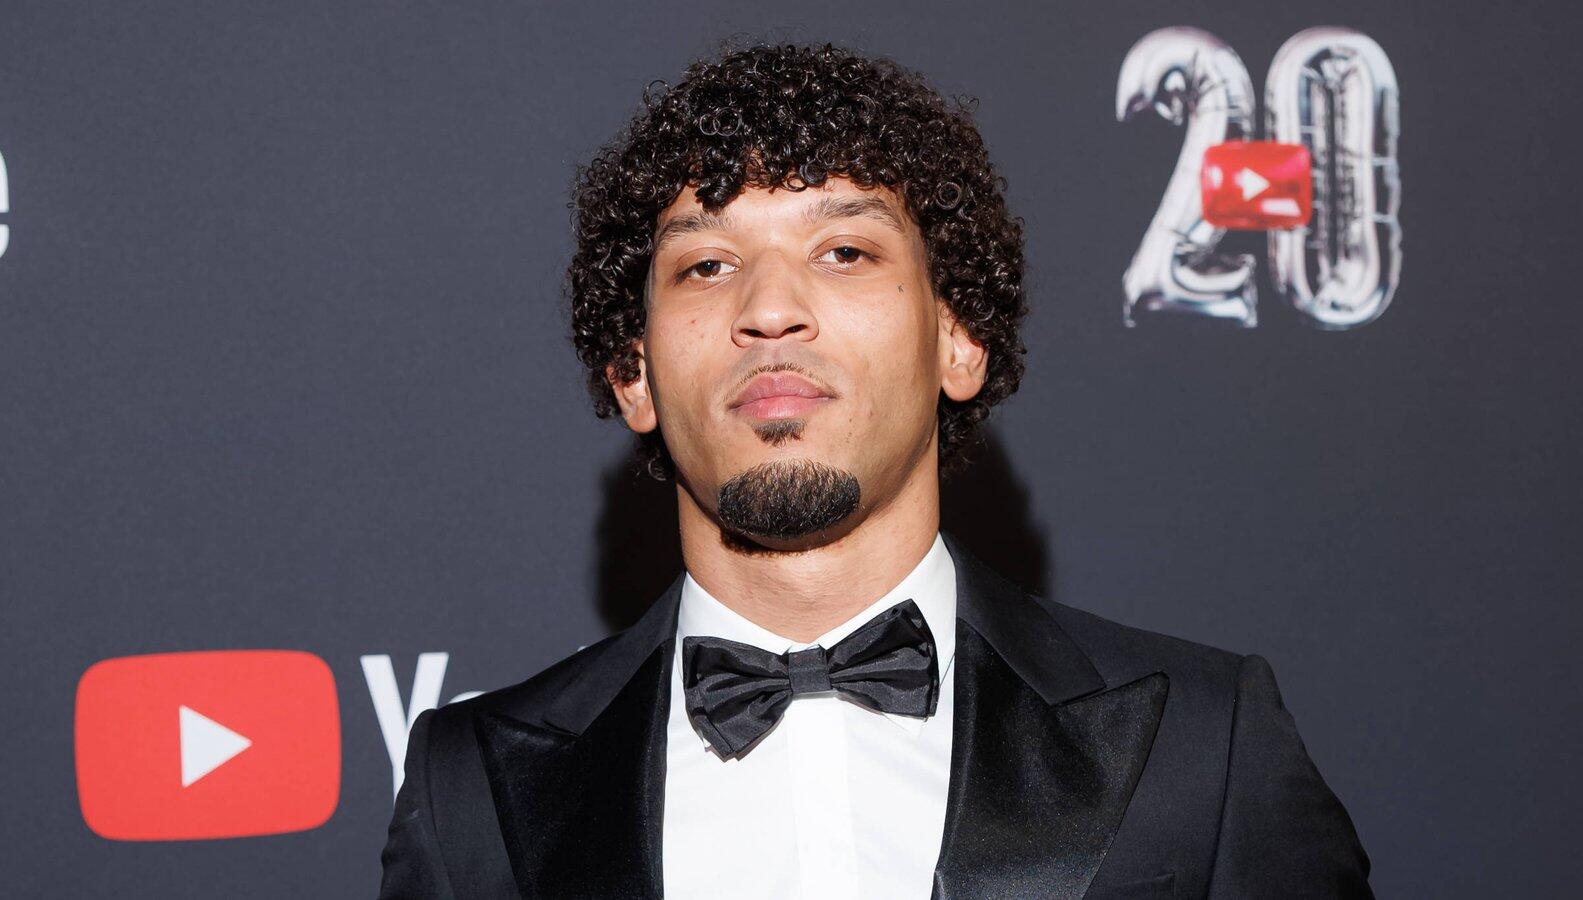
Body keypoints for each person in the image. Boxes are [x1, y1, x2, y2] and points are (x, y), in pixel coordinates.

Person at [378, 40, 1372, 899]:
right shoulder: (473, 791)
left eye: (845, 252)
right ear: (632, 374)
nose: (770, 309)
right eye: (706, 265)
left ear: (958, 340)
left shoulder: (1206, 746)